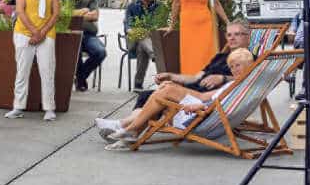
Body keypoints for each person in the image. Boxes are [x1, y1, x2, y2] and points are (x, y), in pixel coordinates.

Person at [97, 48, 255, 150]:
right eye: (232, 66)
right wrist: (177, 87)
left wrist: (200, 107)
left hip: (198, 116)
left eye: (238, 65)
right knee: (166, 89)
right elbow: (205, 96)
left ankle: (131, 128)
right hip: (201, 107)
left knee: (163, 94)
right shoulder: (239, 83)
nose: (234, 70)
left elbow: (221, 106)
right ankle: (131, 130)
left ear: (250, 65)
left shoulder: (238, 86)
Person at [8, 0, 60, 121]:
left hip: (46, 32)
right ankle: (18, 107)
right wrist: (34, 32)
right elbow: (20, 10)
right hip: (24, 32)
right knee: (22, 71)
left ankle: (49, 108)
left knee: (47, 71)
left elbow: (55, 13)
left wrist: (42, 32)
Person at [170, 0, 227, 78]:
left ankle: (207, 81)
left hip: (206, 25)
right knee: (189, 56)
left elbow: (216, 4)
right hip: (187, 25)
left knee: (205, 56)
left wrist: (228, 23)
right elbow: (176, 3)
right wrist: (172, 24)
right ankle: (190, 84)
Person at [68, 0, 106, 92]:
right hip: (70, 36)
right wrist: (83, 12)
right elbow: (62, 15)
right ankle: (81, 82)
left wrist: (73, 14)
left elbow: (94, 16)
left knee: (100, 52)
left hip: (89, 35)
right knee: (76, 47)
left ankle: (80, 77)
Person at [123, 0, 164, 90]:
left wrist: (146, 31)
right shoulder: (132, 6)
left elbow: (158, 26)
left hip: (148, 42)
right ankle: (156, 56)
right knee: (143, 37)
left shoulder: (158, 6)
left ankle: (138, 84)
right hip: (132, 41)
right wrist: (141, 31)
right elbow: (129, 28)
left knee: (142, 46)